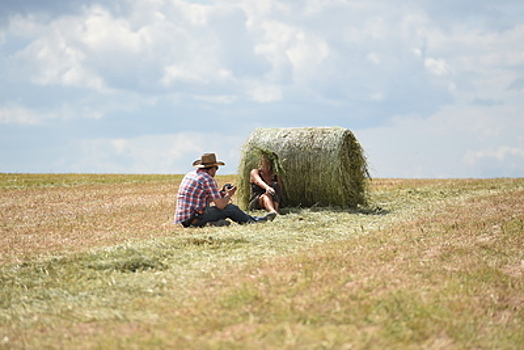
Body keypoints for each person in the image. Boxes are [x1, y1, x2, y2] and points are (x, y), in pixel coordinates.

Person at [174, 153, 276, 228]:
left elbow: (203, 198)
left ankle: (212, 224)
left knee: (224, 210)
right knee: (231, 208)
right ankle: (255, 221)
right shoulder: (208, 179)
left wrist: (221, 194)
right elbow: (221, 206)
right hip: (196, 218)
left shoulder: (190, 175)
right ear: (213, 169)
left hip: (185, 219)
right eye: (216, 168)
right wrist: (228, 195)